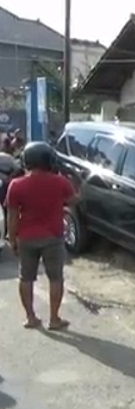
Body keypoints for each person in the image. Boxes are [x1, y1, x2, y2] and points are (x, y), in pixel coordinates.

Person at [5, 141, 77, 330]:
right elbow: (74, 200)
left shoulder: (16, 185)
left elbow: (12, 217)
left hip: (26, 238)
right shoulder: (60, 182)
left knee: (26, 278)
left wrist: (12, 240)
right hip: (53, 237)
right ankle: (54, 319)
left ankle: (31, 317)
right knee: (56, 278)